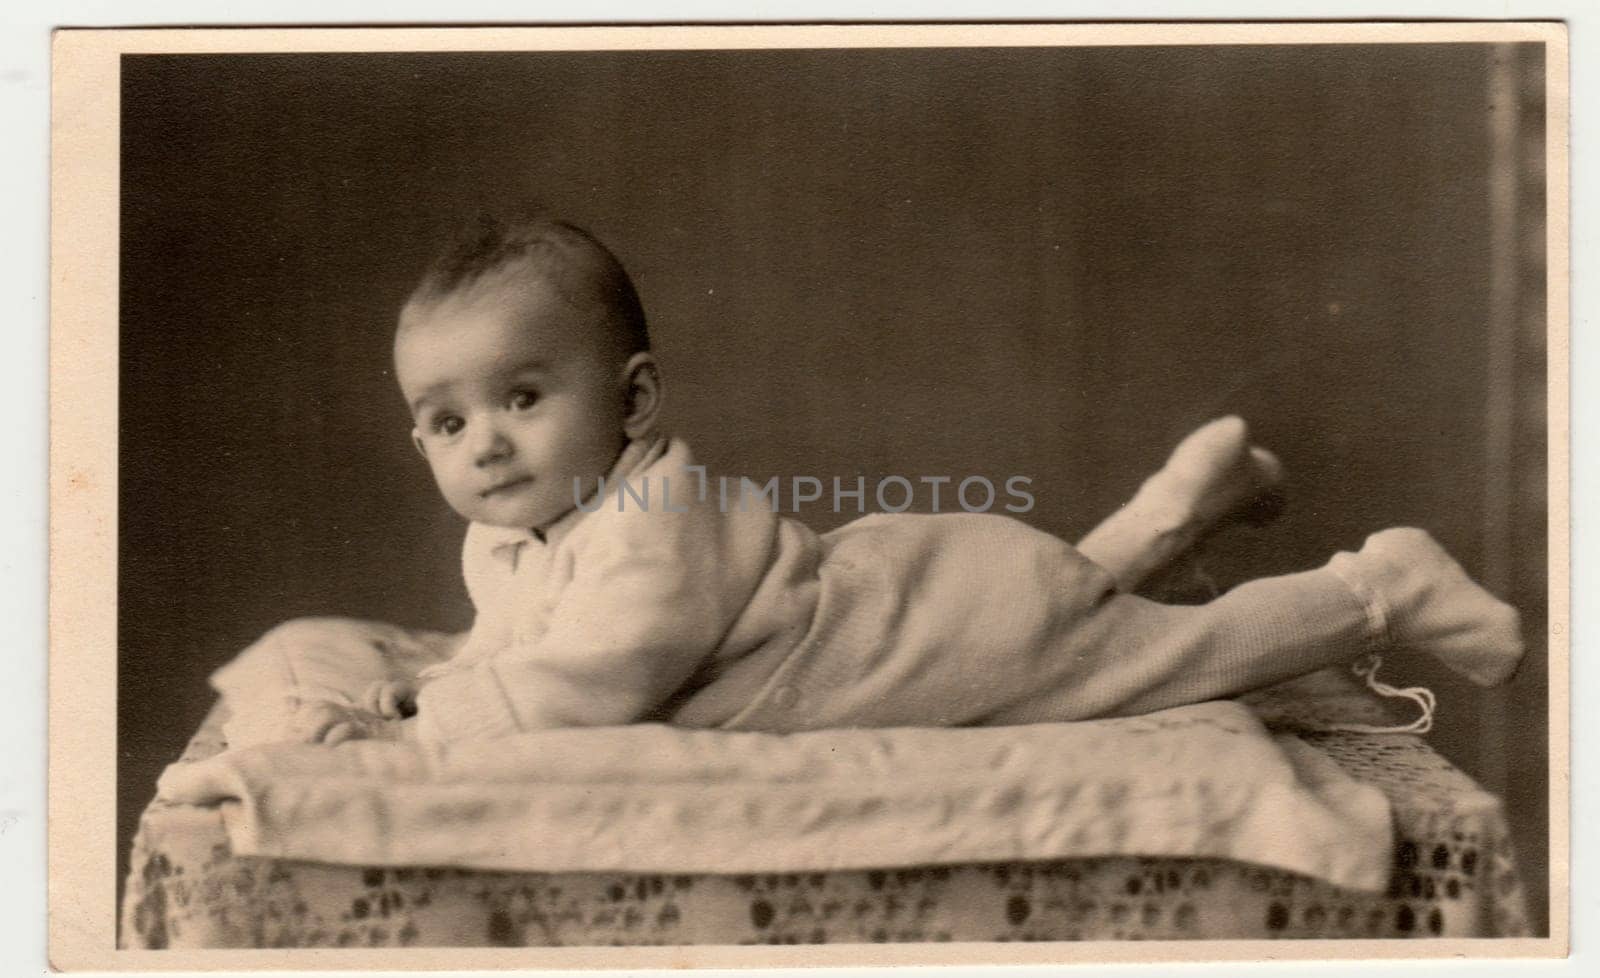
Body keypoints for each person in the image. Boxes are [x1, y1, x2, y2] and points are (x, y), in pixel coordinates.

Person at [289, 214, 1523, 745]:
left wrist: (431, 727)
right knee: (1082, 625)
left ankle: (1380, 588)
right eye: (445, 423)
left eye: (520, 398)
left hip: (921, 623)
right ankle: (1176, 509)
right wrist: (429, 686)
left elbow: (602, 674)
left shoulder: (657, 518)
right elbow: (514, 643)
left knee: (1149, 660)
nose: (486, 446)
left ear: (636, 401)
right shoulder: (514, 537)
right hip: (922, 604)